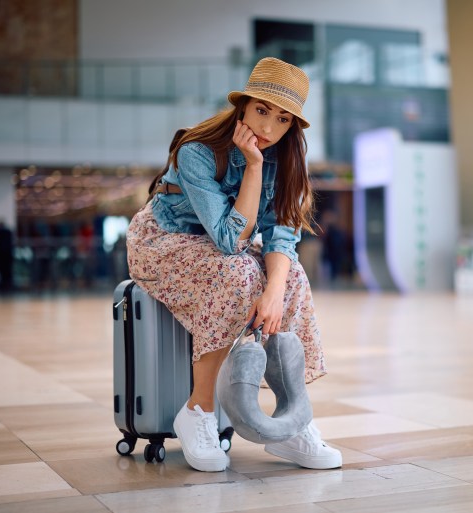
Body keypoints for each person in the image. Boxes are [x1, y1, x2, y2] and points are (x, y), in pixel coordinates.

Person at [126, 57, 341, 472]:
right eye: (261, 110)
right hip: (163, 242)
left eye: (282, 119)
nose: (267, 128)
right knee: (238, 271)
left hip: (219, 248)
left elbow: (282, 236)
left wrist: (275, 291)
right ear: (242, 106)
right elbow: (229, 241)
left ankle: (292, 424)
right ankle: (197, 411)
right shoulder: (198, 151)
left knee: (290, 274)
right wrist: (255, 167)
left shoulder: (289, 158)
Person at [0, 220, 14, 292]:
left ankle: (2, 286)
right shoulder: (8, 232)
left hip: (0, 256)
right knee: (7, 272)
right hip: (7, 256)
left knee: (1, 271)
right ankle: (8, 285)